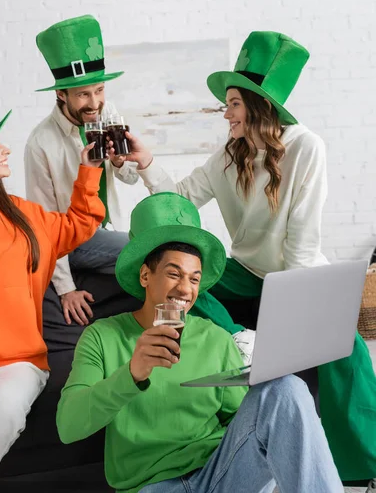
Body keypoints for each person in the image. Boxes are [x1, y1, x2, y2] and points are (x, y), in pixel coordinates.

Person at [120, 30, 376, 482]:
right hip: (247, 272)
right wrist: (145, 162)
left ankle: (361, 470)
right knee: (181, 287)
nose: (227, 112)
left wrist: (292, 317)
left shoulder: (305, 148)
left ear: (259, 106)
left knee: (349, 352)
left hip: (297, 273)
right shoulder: (227, 155)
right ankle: (241, 338)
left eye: (234, 102)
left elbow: (300, 241)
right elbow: (181, 197)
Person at [56, 192, 343, 493]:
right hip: (153, 486)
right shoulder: (102, 337)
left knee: (287, 387)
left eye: (194, 279)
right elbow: (68, 426)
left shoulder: (215, 337)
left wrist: (270, 390)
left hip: (221, 475)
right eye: (173, 274)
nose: (184, 288)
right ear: (145, 275)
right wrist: (132, 373)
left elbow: (245, 422)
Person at [0, 110, 107, 487]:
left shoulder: (24, 217)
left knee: (4, 412)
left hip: (16, 362)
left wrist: (90, 169)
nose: (6, 149)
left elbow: (80, 223)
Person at [24, 14, 139, 328]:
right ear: (61, 94)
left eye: (99, 91)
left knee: (153, 256)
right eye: (84, 95)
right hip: (72, 240)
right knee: (143, 251)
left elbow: (130, 178)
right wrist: (66, 288)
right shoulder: (40, 143)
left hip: (107, 227)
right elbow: (44, 223)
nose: (95, 102)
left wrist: (119, 162)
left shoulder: (107, 112)